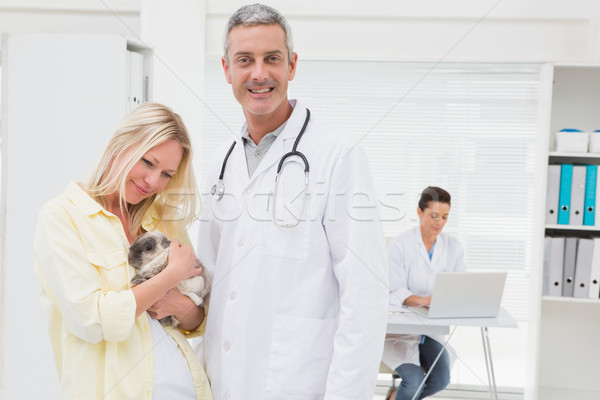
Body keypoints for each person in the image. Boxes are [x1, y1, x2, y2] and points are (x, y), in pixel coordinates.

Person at [196, 4, 388, 399]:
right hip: (222, 379)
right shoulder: (221, 162)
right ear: (227, 69)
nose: (259, 74)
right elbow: (211, 279)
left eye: (273, 59)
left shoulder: (338, 154)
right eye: (244, 60)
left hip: (298, 382)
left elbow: (365, 294)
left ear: (292, 66)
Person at [34, 102, 213, 400]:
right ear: (121, 144)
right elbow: (92, 321)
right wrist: (169, 277)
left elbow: (197, 320)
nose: (153, 182)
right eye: (148, 162)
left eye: (167, 174)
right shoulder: (62, 217)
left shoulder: (164, 219)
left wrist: (177, 306)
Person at [383, 186, 466, 400]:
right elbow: (394, 290)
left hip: (429, 330)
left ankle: (396, 397)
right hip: (398, 332)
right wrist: (424, 300)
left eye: (445, 217)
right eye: (434, 216)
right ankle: (400, 395)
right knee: (413, 382)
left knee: (440, 379)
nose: (440, 222)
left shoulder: (453, 247)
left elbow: (460, 285)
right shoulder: (400, 245)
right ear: (420, 213)